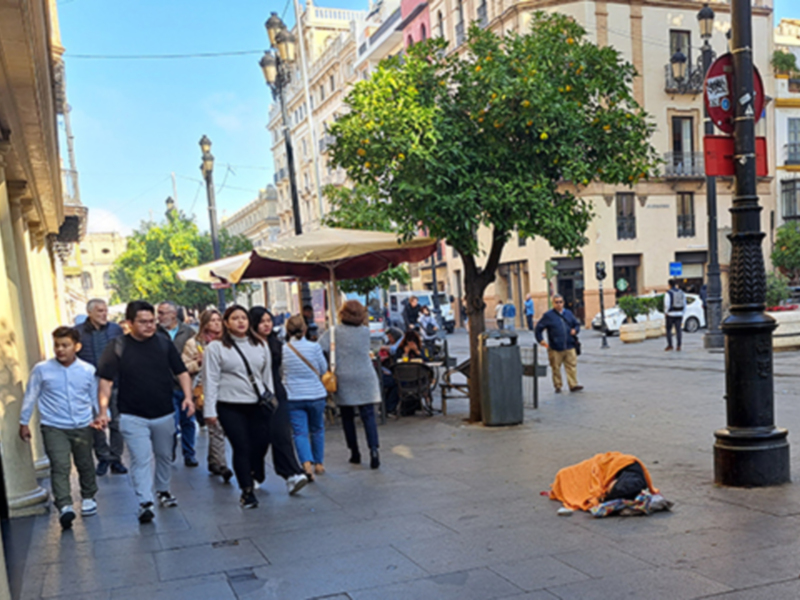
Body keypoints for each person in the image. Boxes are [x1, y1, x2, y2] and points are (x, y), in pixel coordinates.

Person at [97, 301, 194, 523]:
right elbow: (105, 381)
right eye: (143, 322)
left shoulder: (163, 343)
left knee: (164, 455)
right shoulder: (117, 346)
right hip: (132, 414)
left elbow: (181, 372)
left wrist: (188, 397)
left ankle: (163, 489)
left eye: (152, 321)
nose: (149, 326)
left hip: (164, 411)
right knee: (140, 458)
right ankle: (145, 501)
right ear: (129, 323)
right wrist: (103, 410)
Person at [203, 305, 288, 508]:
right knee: (241, 446)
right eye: (235, 318)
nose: (240, 321)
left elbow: (266, 376)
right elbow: (210, 380)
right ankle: (247, 491)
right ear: (226, 323)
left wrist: (271, 400)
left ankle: (254, 471)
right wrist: (209, 410)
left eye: (243, 318)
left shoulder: (259, 344)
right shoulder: (215, 348)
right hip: (229, 405)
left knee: (260, 443)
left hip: (257, 403)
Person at [20, 327, 101, 529]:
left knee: (85, 462)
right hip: (53, 426)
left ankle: (88, 497)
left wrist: (101, 415)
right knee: (59, 465)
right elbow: (31, 395)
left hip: (82, 424)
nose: (60, 350)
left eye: (65, 345)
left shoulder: (87, 370)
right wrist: (24, 422)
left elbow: (94, 395)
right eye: (57, 345)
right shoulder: (42, 369)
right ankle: (64, 505)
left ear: (77, 347)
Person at [249, 306, 309, 494]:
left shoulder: (276, 343)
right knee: (259, 438)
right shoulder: (247, 345)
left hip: (276, 393)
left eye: (269, 320)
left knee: (281, 433)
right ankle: (254, 473)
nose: (266, 325)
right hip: (254, 396)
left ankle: (292, 474)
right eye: (262, 321)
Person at [319, 300, 381, 469]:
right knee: (368, 415)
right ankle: (374, 450)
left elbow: (320, 348)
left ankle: (354, 452)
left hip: (344, 376)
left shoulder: (333, 332)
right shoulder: (365, 332)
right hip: (366, 375)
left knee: (347, 417)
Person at [181, 308, 233, 482]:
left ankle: (213, 461)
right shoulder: (193, 343)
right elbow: (183, 367)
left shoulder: (228, 341)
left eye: (218, 320)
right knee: (215, 426)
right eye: (212, 320)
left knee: (217, 428)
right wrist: (198, 362)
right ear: (204, 323)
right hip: (204, 389)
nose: (216, 324)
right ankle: (223, 464)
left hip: (227, 387)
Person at [76, 298, 127, 476]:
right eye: (99, 311)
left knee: (117, 422)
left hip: (115, 382)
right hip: (90, 385)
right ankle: (103, 457)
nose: (104, 314)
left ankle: (116, 458)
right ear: (89, 312)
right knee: (96, 422)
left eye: (105, 310)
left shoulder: (115, 329)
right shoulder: (78, 332)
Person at [282, 315, 328, 480]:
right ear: (305, 329)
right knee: (317, 429)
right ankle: (319, 463)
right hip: (316, 395)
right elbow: (323, 369)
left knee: (299, 432)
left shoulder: (284, 349)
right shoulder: (314, 347)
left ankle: (306, 465)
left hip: (293, 396)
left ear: (288, 331)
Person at [157, 301, 198, 467]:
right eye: (159, 313)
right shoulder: (156, 333)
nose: (160, 317)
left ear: (174, 314)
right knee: (170, 423)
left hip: (186, 383)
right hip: (165, 385)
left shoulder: (188, 332)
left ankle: (189, 454)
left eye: (163, 313)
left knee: (188, 421)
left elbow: (196, 352)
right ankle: (170, 450)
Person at [535, 294, 583, 393]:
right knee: (556, 368)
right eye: (556, 302)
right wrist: (541, 340)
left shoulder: (568, 313)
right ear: (553, 303)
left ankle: (573, 385)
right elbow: (538, 328)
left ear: (563, 303)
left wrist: (575, 330)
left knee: (571, 366)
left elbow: (576, 324)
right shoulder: (548, 316)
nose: (559, 304)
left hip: (569, 345)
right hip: (555, 347)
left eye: (561, 302)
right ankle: (558, 385)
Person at [665, 279, 687, 352]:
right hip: (679, 314)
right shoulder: (681, 292)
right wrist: (682, 312)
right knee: (678, 330)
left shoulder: (668, 293)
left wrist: (666, 312)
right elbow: (684, 303)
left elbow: (667, 304)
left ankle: (670, 345)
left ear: (669, 285)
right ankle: (678, 346)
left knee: (669, 329)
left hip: (671, 314)